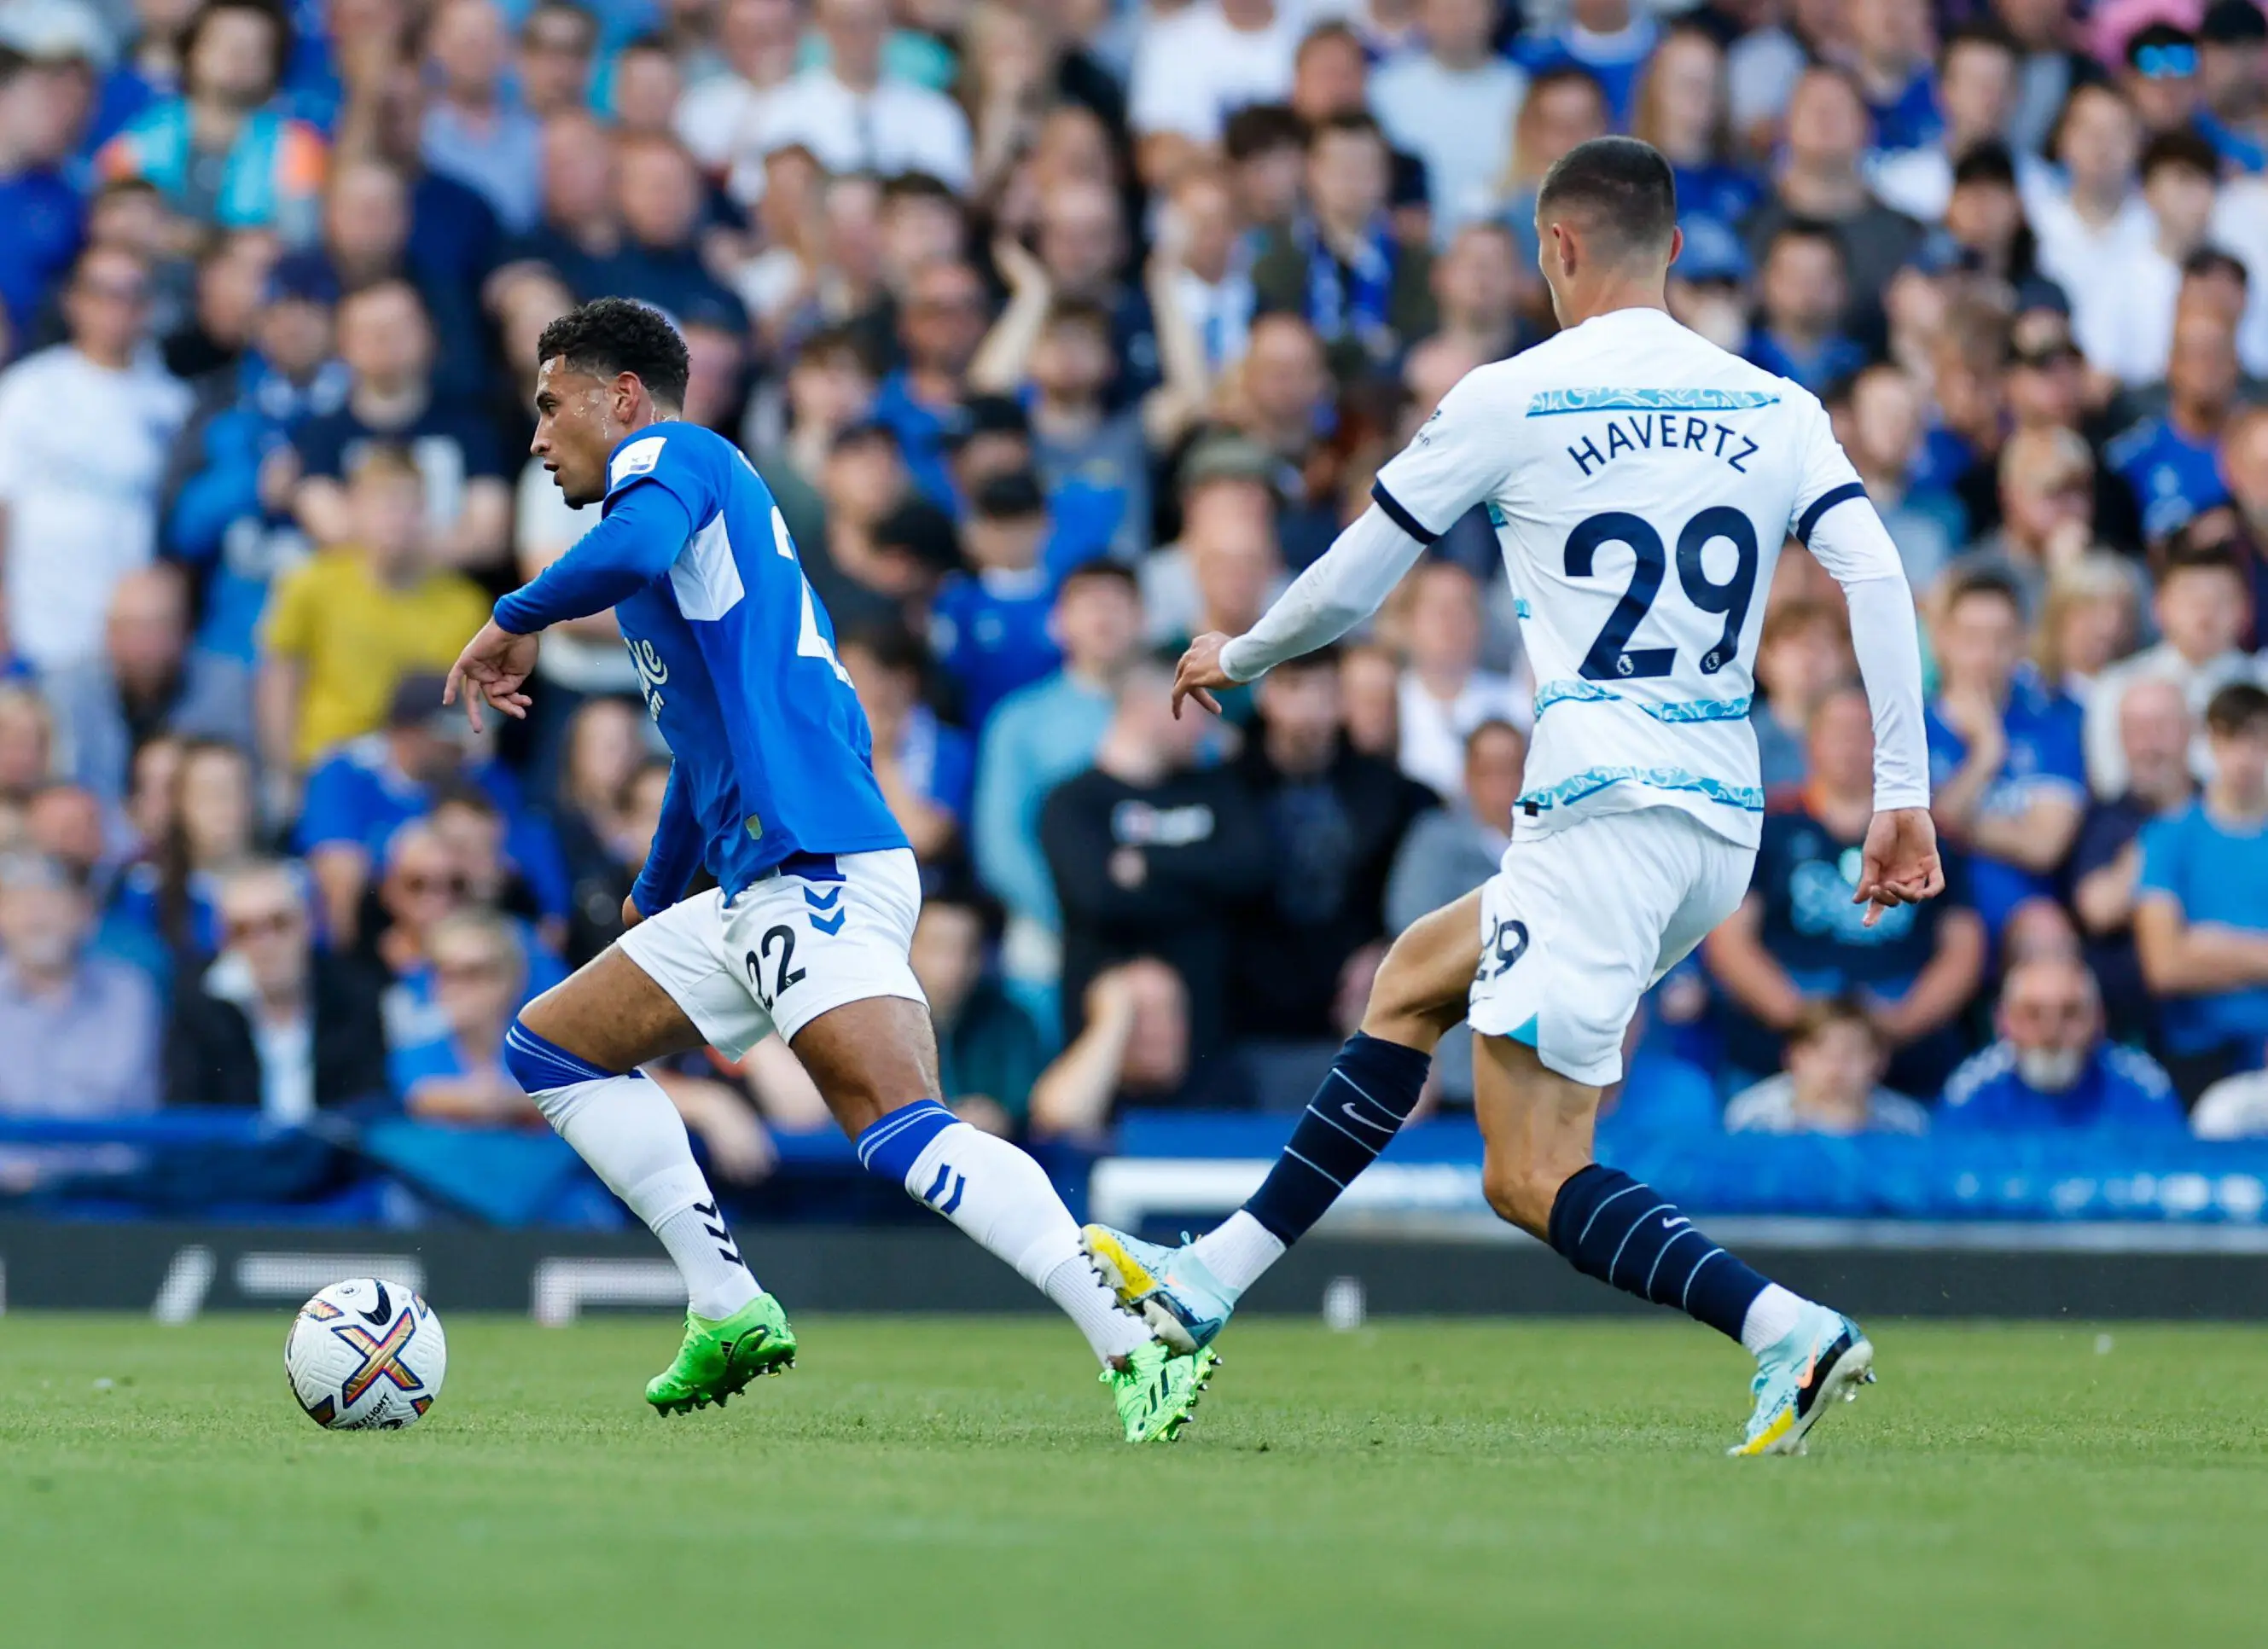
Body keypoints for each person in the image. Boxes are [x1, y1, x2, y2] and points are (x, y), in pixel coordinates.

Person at [1082, 138, 1945, 1458]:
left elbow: (1357, 581)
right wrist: (1902, 793)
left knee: (1525, 1172)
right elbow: (1874, 578)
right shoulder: (1772, 403)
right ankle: (1204, 1287)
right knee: (1415, 978)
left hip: (1600, 798)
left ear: (1557, 249)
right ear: (1670, 248)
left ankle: (1785, 1326)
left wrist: (1238, 651)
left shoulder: (1515, 396)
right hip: (1717, 814)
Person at [445, 299, 1209, 1439]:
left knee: (898, 1128)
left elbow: (634, 547)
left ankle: (1132, 1329)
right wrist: (657, 895)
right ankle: (723, 1301)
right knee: (549, 1044)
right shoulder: (686, 558)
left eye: (552, 406)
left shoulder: (676, 462)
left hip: (813, 865)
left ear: (624, 400)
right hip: (762, 866)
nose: (538, 434)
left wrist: (515, 615)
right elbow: (707, 750)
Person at [1708, 686, 1986, 1096]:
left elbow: (1963, 947)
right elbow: (1728, 938)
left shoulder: (1928, 833)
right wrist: (1801, 1020)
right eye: (1837, 732)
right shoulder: (1766, 826)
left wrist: (1903, 1022)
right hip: (1784, 1031)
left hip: (1900, 1023)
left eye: (1863, 733)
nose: (1850, 746)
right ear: (1811, 743)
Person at [1038, 653, 1270, 1056]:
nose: (1207, 726)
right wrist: (1205, 891)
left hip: (1212, 1035)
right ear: (1147, 707)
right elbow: (1099, 900)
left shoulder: (1217, 788)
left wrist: (1149, 864)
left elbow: (1252, 871)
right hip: (1107, 1042)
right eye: (1198, 709)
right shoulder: (1073, 802)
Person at [0, 245, 192, 674]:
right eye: (102, 292)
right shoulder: (27, 390)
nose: (116, 308)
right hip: (37, 624)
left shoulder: (173, 403)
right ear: (74, 301)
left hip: (133, 639)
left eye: (131, 294)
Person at [1231, 643, 1433, 1042]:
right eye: (1293, 689)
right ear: (1266, 697)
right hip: (1244, 1011)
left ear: (1343, 701)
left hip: (1356, 1003)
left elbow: (1424, 896)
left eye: (1322, 692)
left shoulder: (1395, 797)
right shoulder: (1226, 789)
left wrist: (1388, 946)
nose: (1306, 709)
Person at [258, 441, 491, 774]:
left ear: (425, 512)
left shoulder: (464, 605)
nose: (395, 519)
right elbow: (280, 683)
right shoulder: (309, 584)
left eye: (408, 505)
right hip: (326, 762)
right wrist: (283, 773)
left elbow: (475, 717)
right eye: (382, 504)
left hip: (420, 771)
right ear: (354, 508)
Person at [166, 859, 387, 1116]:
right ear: (223, 941)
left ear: (308, 924)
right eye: (243, 930)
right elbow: (192, 1118)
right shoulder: (197, 1005)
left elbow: (367, 1105)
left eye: (279, 923)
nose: (264, 945)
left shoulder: (354, 995)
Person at [2135, 682, 2268, 1104]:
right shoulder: (2167, 837)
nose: (2245, 758)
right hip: (2197, 1056)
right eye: (2231, 739)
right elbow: (2164, 966)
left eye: (2260, 742)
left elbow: (2182, 955)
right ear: (2209, 742)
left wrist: (2208, 945)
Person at [0, 851, 162, 1123]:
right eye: (21, 902)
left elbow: (138, 1112)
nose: (36, 917)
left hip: (106, 1164)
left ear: (84, 913)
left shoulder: (130, 994)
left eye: (51, 901)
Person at [1938, 955, 2184, 1131]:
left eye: (2070, 1013)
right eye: (2032, 1014)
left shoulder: (2141, 1088)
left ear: (2099, 1020)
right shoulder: (1974, 1091)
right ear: (2003, 1022)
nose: (2051, 1032)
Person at [908, 888, 1047, 1137]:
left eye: (967, 949)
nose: (953, 965)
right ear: (909, 949)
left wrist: (999, 1116)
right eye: (938, 947)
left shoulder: (1011, 1022)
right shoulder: (882, 1022)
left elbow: (1027, 1105)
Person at [1723, 996, 1929, 1136]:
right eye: (1822, 1053)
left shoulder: (1907, 1124)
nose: (1836, 1066)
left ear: (1879, 1060)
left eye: (1852, 1053)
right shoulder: (1752, 1118)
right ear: (1794, 1056)